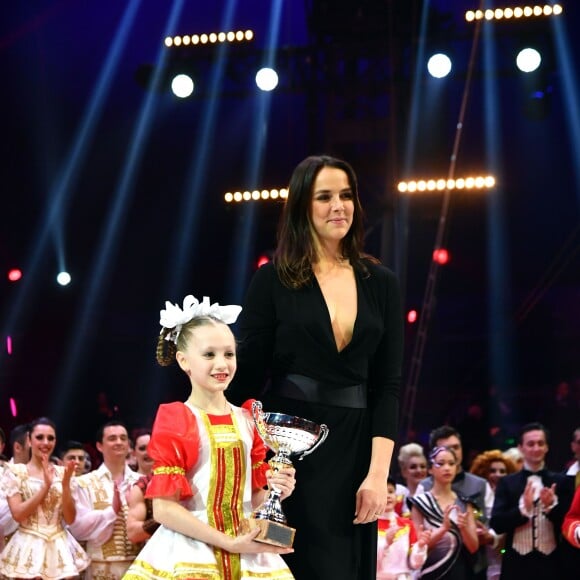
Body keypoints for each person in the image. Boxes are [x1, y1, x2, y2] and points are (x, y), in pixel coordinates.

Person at [228, 154, 404, 579]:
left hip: (356, 445)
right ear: (303, 207)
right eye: (324, 197)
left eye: (346, 195)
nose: (338, 206)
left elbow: (389, 385)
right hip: (287, 450)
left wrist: (377, 476)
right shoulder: (272, 280)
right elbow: (245, 375)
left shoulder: (382, 283)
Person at [124, 295, 296, 579]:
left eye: (229, 354)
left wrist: (276, 491)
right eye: (209, 354)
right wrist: (228, 543)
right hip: (191, 550)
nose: (222, 364)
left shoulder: (249, 418)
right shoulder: (177, 419)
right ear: (183, 360)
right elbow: (165, 509)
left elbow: (254, 499)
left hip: (248, 551)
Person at [0, 417, 90, 578]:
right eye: (39, 437)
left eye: (50, 438)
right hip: (27, 543)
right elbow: (18, 514)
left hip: (59, 543)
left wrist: (65, 485)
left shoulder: (63, 473)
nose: (45, 443)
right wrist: (45, 487)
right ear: (29, 440)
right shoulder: (15, 472)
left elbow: (70, 519)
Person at [490, 422, 574, 579]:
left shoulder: (562, 481)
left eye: (540, 443)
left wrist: (551, 507)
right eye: (530, 444)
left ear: (547, 447)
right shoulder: (507, 483)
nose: (536, 448)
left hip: (553, 565)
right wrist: (522, 510)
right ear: (521, 448)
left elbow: (570, 525)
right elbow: (496, 524)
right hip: (516, 566)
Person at [417, 425, 496, 578]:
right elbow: (416, 540)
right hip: (432, 566)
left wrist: (489, 535)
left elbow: (493, 521)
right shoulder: (423, 488)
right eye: (445, 449)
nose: (452, 453)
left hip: (474, 567)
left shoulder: (480, 485)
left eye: (456, 447)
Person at [68, 420, 142, 579]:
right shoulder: (84, 483)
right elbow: (78, 529)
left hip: (139, 566)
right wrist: (112, 512)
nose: (119, 442)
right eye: (112, 438)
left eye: (123, 438)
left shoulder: (141, 481)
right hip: (100, 568)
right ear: (99, 446)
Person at [409, 446, 479, 579]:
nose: (447, 468)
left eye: (451, 464)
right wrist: (443, 529)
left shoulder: (465, 503)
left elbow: (473, 547)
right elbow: (417, 546)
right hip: (429, 571)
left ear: (457, 468)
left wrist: (463, 528)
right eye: (440, 464)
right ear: (430, 469)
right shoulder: (419, 503)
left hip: (459, 571)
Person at [469, 450, 518, 580]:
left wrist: (491, 537)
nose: (498, 475)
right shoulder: (476, 499)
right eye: (493, 471)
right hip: (481, 562)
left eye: (503, 471)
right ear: (483, 473)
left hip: (506, 559)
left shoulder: (513, 499)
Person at [377, 477, 430, 579]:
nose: (388, 496)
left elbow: (414, 564)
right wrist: (386, 543)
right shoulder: (368, 528)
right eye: (382, 492)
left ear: (396, 496)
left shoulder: (407, 525)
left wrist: (420, 546)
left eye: (391, 491)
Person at [397, 442, 428, 516]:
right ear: (403, 471)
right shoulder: (397, 498)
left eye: (423, 466)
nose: (419, 470)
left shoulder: (433, 496)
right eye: (413, 467)